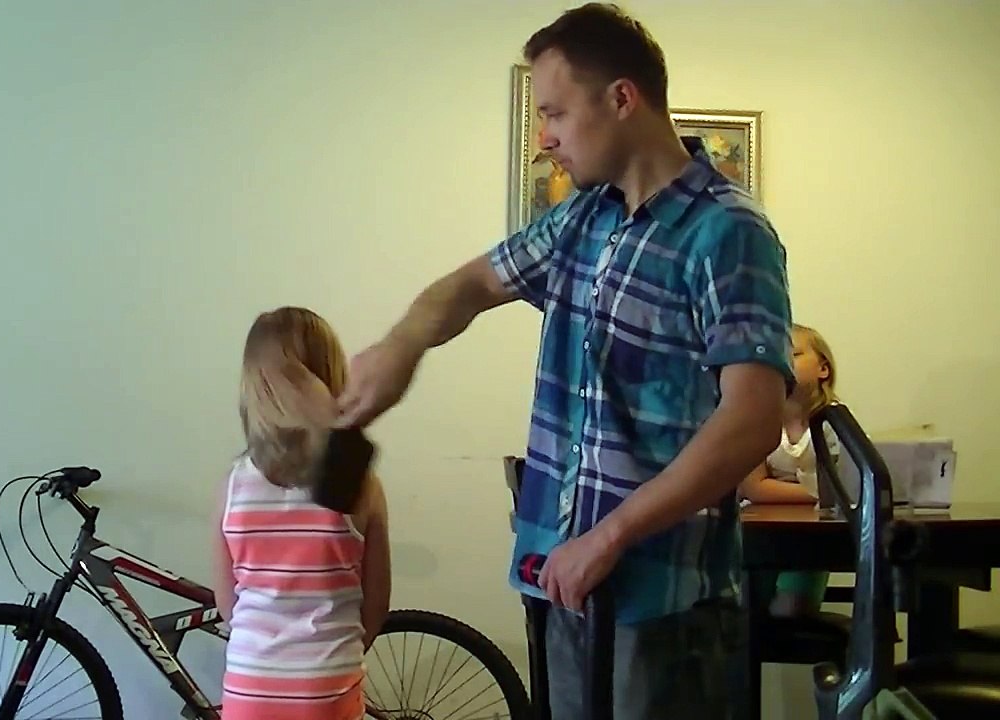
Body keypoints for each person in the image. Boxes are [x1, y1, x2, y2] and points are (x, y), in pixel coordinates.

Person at [334, 4, 793, 719]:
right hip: (562, 578)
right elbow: (470, 286)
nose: (544, 138)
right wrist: (402, 346)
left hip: (660, 605)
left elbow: (754, 417)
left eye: (554, 112)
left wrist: (610, 535)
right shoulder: (583, 218)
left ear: (621, 98)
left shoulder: (728, 231)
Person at [212, 306, 391, 720]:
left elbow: (227, 604)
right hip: (328, 682)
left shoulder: (232, 487)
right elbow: (377, 602)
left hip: (250, 684)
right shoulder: (361, 485)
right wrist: (335, 655)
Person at [741, 323, 841, 617]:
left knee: (792, 608)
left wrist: (825, 495)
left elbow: (845, 486)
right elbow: (754, 487)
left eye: (795, 354)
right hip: (759, 537)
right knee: (746, 615)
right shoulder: (758, 420)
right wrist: (821, 494)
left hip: (814, 538)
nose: (783, 361)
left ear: (824, 368)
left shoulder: (837, 424)